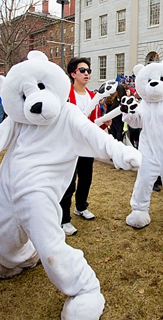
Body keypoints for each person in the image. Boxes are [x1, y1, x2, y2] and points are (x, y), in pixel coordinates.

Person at [59, 57, 108, 236]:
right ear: (73, 74)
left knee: (86, 178)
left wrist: (103, 123)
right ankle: (63, 219)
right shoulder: (65, 95)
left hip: (86, 145)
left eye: (88, 70)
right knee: (68, 182)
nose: (87, 73)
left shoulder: (92, 96)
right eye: (82, 70)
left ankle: (81, 206)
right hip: (70, 145)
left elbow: (93, 124)